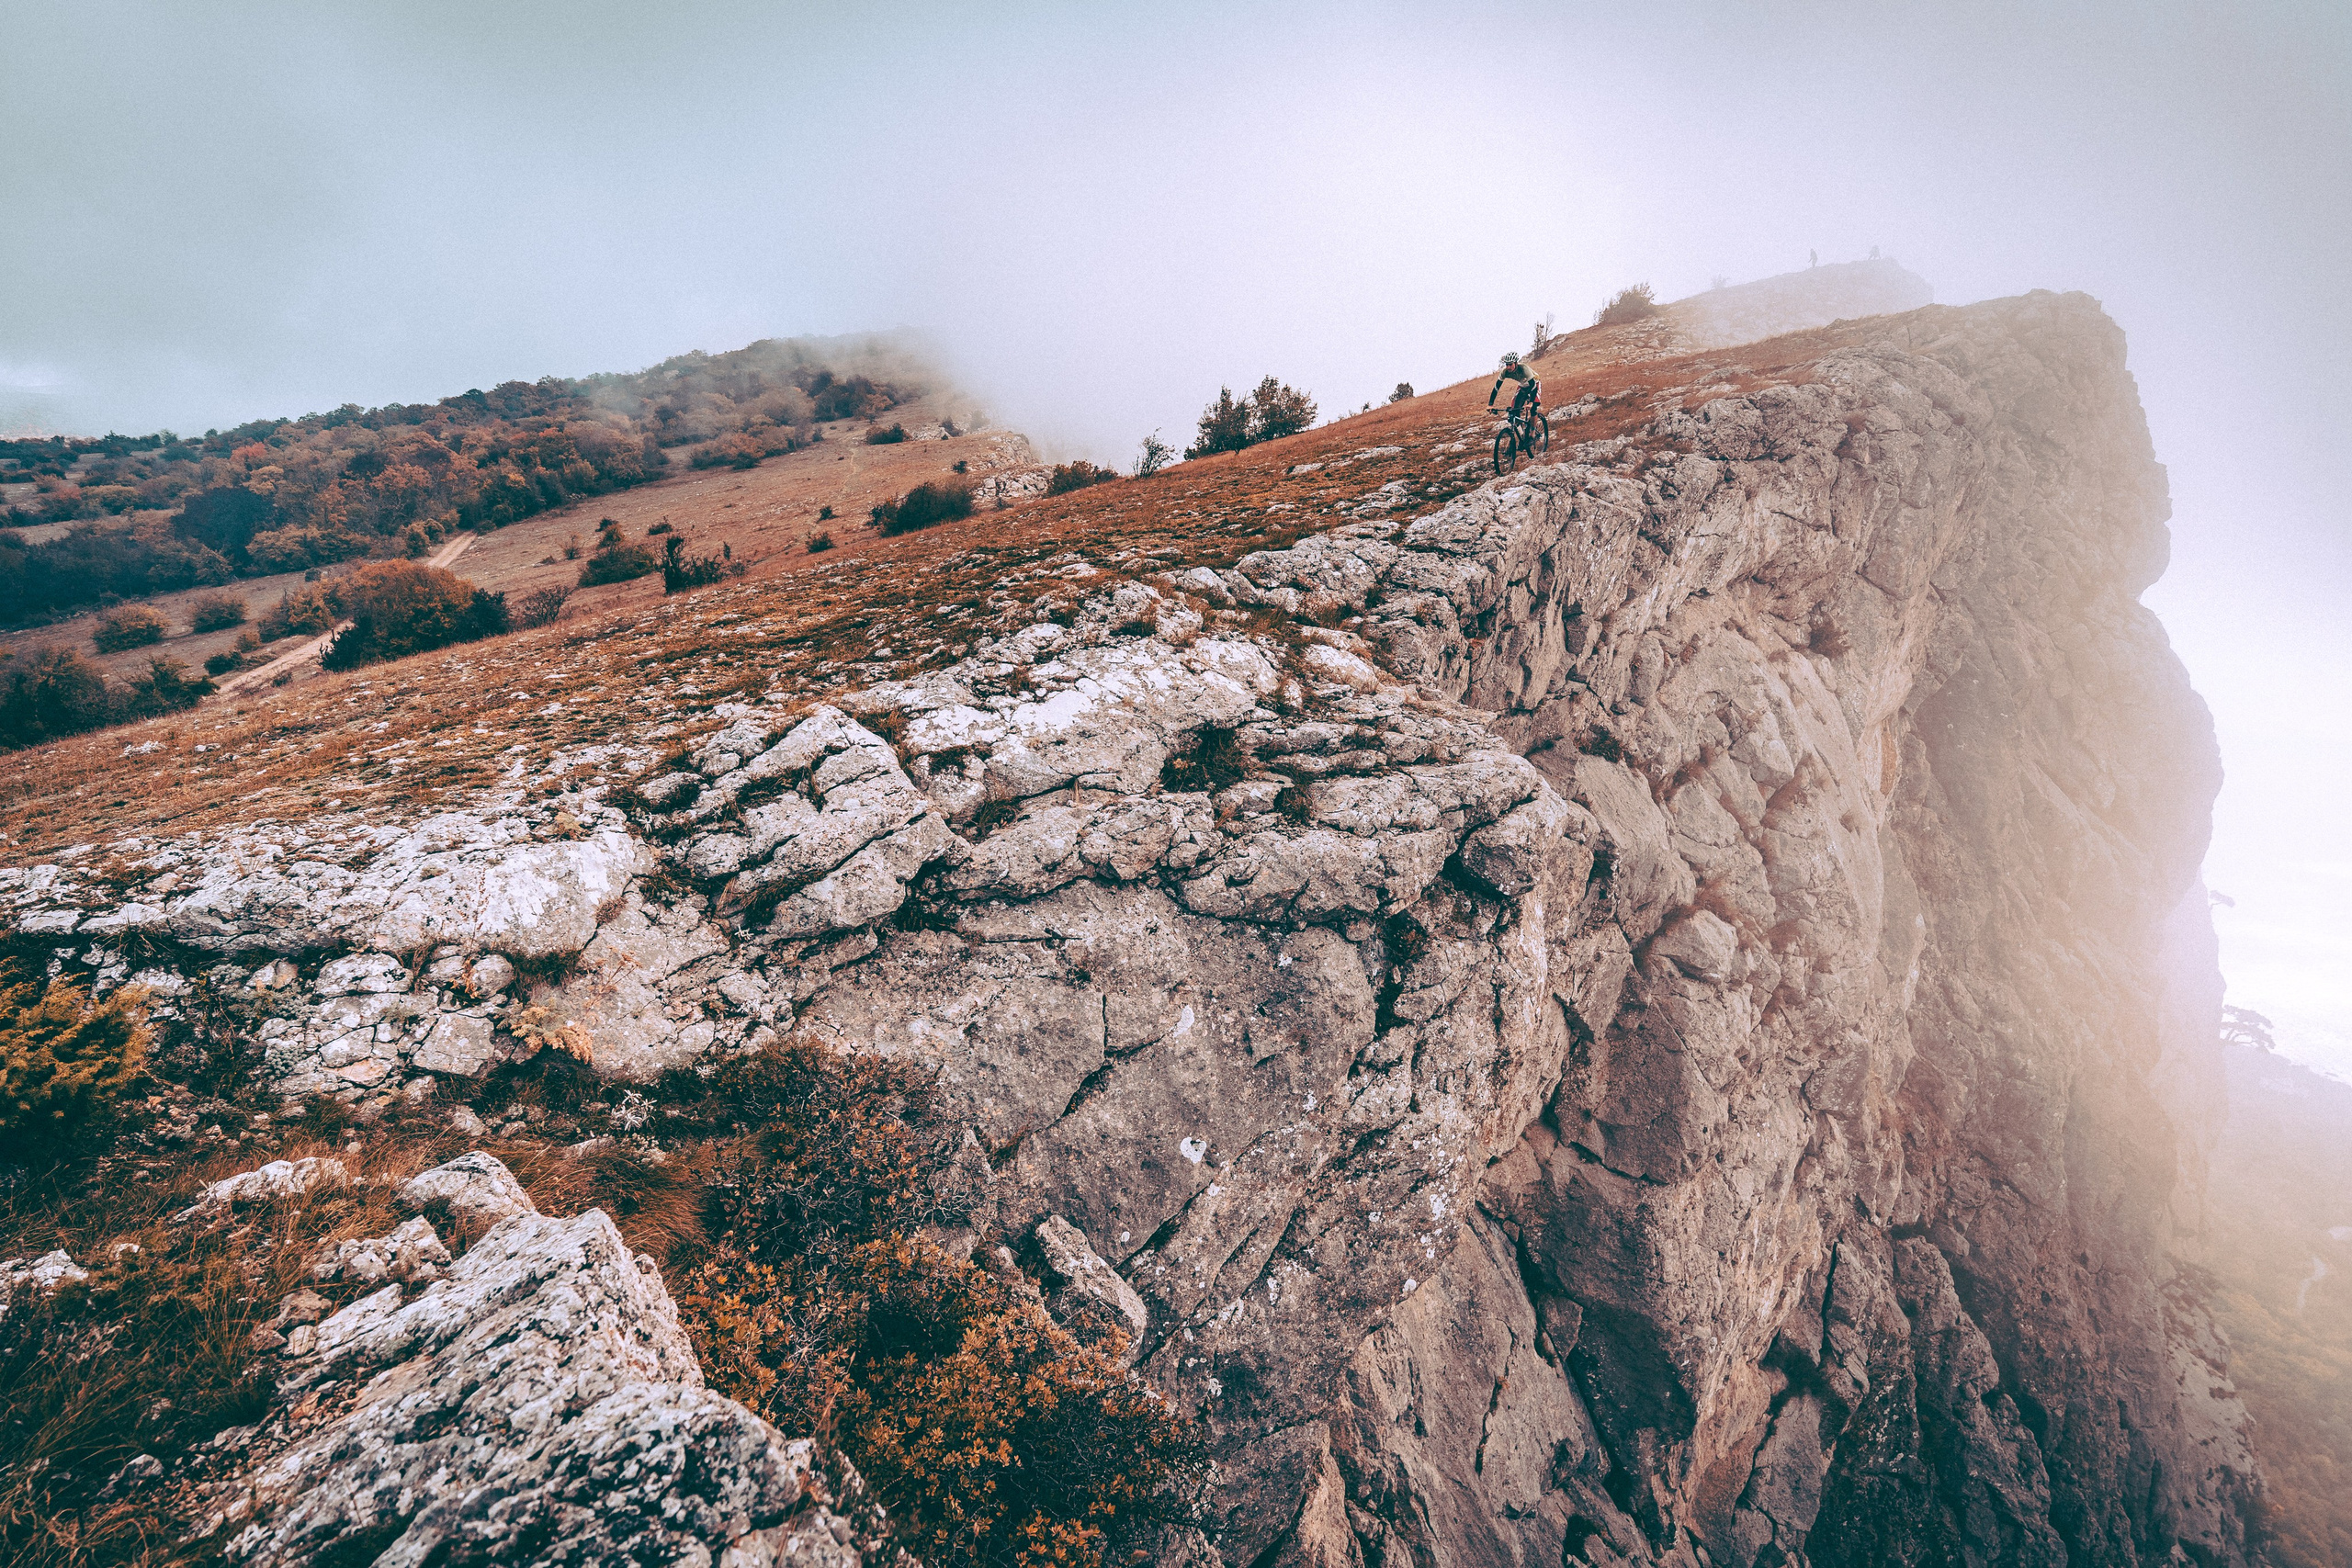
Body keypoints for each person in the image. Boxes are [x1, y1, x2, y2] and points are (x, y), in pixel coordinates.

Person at [1488, 352, 1541, 423]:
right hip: (1522, 386)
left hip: (1534, 384)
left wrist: (1531, 403)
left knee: (1533, 408)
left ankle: (1532, 431)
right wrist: (1490, 404)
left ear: (1516, 363)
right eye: (1507, 364)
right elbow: (1496, 388)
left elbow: (1533, 386)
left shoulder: (1524, 369)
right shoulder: (1504, 372)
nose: (1508, 367)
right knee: (1514, 410)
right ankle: (1521, 432)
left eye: (1510, 364)